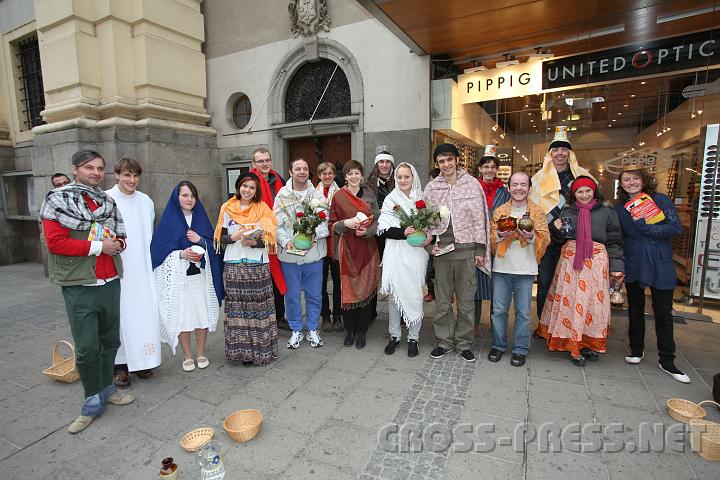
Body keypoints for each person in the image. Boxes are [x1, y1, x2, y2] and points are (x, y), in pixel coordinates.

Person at [40, 149, 134, 434]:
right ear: (75, 169)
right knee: (86, 347)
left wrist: (117, 244)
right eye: (89, 167)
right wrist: (99, 247)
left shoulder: (107, 202)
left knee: (109, 340)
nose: (95, 172)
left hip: (110, 279)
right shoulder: (57, 200)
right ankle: (91, 401)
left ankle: (108, 389)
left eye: (99, 168)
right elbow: (56, 243)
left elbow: (119, 237)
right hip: (79, 283)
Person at [536, 176, 624, 366]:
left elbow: (615, 242)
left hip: (597, 263)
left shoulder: (607, 213)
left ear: (594, 192)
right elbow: (561, 240)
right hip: (571, 262)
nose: (584, 195)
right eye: (579, 191)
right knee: (572, 302)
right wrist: (556, 230)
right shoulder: (568, 211)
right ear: (573, 194)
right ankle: (572, 344)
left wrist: (617, 268)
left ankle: (589, 343)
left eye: (587, 191)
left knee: (593, 304)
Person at [614, 165, 689, 383]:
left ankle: (667, 359)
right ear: (621, 184)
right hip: (635, 260)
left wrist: (648, 227)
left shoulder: (661, 200)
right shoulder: (620, 208)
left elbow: (675, 228)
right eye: (626, 180)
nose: (631, 183)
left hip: (660, 260)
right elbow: (618, 237)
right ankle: (636, 349)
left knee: (663, 311)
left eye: (635, 178)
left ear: (644, 180)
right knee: (635, 308)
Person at [424, 143, 491, 362]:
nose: (446, 165)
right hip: (443, 253)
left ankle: (464, 344)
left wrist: (480, 249)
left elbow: (481, 218)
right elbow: (423, 219)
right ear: (437, 164)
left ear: (457, 160)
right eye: (441, 161)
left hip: (467, 253)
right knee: (443, 303)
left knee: (466, 304)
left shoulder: (472, 185)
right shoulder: (432, 188)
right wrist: (427, 246)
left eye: (449, 160)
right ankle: (444, 341)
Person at [151, 181, 223, 372]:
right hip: (179, 277)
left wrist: (200, 241)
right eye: (185, 195)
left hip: (200, 275)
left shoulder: (201, 218)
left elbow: (214, 245)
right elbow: (158, 252)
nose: (189, 199)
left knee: (201, 313)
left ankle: (200, 353)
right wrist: (180, 255)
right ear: (177, 197)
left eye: (192, 195)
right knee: (182, 315)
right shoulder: (168, 221)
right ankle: (187, 355)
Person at [106, 158, 161, 388]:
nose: (132, 180)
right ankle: (120, 366)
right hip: (118, 267)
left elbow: (147, 232)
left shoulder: (145, 201)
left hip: (142, 266)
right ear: (116, 175)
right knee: (121, 315)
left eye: (135, 175)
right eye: (127, 175)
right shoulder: (107, 199)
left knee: (143, 313)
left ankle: (143, 360)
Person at [214, 172, 278, 365]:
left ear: (256, 190)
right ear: (238, 186)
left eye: (252, 187)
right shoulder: (227, 208)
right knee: (238, 309)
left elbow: (270, 238)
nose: (247, 190)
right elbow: (219, 238)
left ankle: (262, 351)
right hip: (234, 264)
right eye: (244, 186)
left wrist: (253, 243)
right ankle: (242, 352)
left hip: (257, 265)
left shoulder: (263, 209)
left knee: (259, 308)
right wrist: (233, 238)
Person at [530, 126, 592, 319]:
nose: (559, 153)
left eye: (564, 149)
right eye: (555, 149)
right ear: (550, 153)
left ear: (569, 153)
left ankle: (566, 327)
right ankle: (543, 325)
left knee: (571, 285)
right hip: (547, 240)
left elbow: (592, 202)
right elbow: (533, 209)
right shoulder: (538, 179)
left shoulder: (581, 176)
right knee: (546, 283)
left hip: (575, 240)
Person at [487, 172, 549, 367]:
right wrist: (498, 234)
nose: (519, 188)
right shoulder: (500, 212)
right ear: (509, 187)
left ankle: (521, 349)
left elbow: (545, 238)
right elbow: (490, 238)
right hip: (502, 268)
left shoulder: (537, 212)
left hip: (526, 270)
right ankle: (498, 345)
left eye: (523, 184)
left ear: (529, 188)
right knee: (498, 310)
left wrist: (531, 237)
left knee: (523, 312)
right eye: (515, 184)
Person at [274, 158, 329, 349]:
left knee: (314, 295)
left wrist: (316, 234)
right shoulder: (282, 194)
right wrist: (284, 240)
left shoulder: (317, 194)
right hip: (289, 255)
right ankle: (296, 329)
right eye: (298, 169)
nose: (302, 172)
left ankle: (313, 328)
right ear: (290, 172)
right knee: (292, 295)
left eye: (305, 168)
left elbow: (325, 220)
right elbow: (276, 223)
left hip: (313, 254)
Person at [378, 162, 429, 357]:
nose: (403, 180)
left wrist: (426, 233)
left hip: (416, 254)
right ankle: (394, 336)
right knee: (394, 296)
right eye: (399, 177)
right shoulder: (391, 199)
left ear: (413, 177)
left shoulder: (421, 198)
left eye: (406, 176)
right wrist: (402, 232)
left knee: (415, 294)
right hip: (397, 252)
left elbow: (429, 224)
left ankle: (414, 338)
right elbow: (383, 229)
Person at [329, 160, 381, 349]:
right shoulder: (338, 196)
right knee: (347, 290)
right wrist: (346, 224)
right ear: (345, 176)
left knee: (366, 290)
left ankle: (361, 331)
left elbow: (378, 219)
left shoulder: (369, 194)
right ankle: (350, 330)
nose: (353, 177)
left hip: (367, 248)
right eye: (349, 173)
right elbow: (332, 224)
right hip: (345, 249)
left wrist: (367, 232)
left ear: (361, 174)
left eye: (357, 173)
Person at [249, 148, 289, 331]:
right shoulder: (249, 182)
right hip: (258, 238)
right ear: (254, 164)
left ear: (271, 162)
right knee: (261, 282)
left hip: (277, 235)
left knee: (277, 278)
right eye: (260, 161)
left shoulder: (278, 179)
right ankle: (262, 318)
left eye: (267, 160)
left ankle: (279, 316)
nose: (264, 164)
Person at [475, 144, 511, 329]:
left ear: (497, 169)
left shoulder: (505, 193)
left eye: (493, 167)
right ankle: (471, 327)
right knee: (475, 288)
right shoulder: (472, 189)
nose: (489, 170)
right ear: (480, 169)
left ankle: (495, 328)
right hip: (477, 244)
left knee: (497, 288)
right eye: (486, 166)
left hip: (498, 245)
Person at [316, 162, 343, 332]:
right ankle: (325, 315)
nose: (327, 176)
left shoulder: (340, 193)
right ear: (319, 176)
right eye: (323, 174)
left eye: (330, 173)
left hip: (336, 242)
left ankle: (338, 316)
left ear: (334, 175)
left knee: (338, 282)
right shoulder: (313, 193)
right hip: (319, 243)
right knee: (321, 283)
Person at [424, 168, 441, 302]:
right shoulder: (426, 197)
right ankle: (431, 291)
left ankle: (443, 293)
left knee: (440, 270)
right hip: (429, 238)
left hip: (441, 239)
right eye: (430, 180)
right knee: (429, 268)